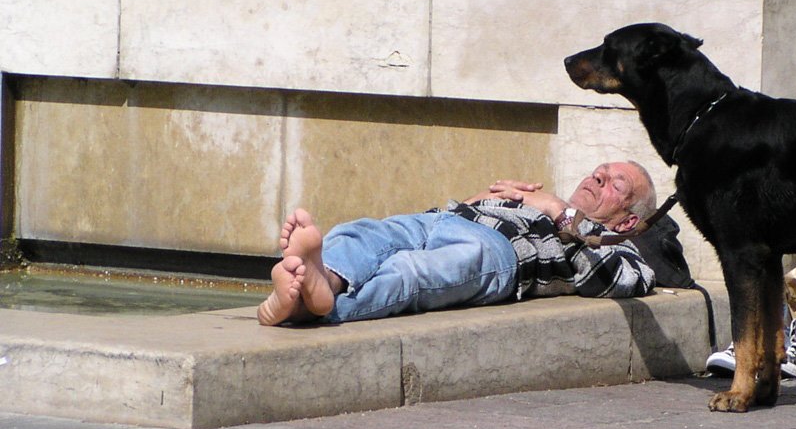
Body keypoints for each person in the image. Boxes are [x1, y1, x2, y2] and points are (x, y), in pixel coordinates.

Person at [257, 161, 682, 326]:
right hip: (446, 217)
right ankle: (325, 278)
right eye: (598, 172)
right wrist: (478, 200)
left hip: (501, 254)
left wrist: (557, 210)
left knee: (411, 274)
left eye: (614, 185)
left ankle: (309, 305)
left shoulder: (621, 247)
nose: (597, 178)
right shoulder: (534, 199)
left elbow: (615, 280)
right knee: (368, 233)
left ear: (629, 218)